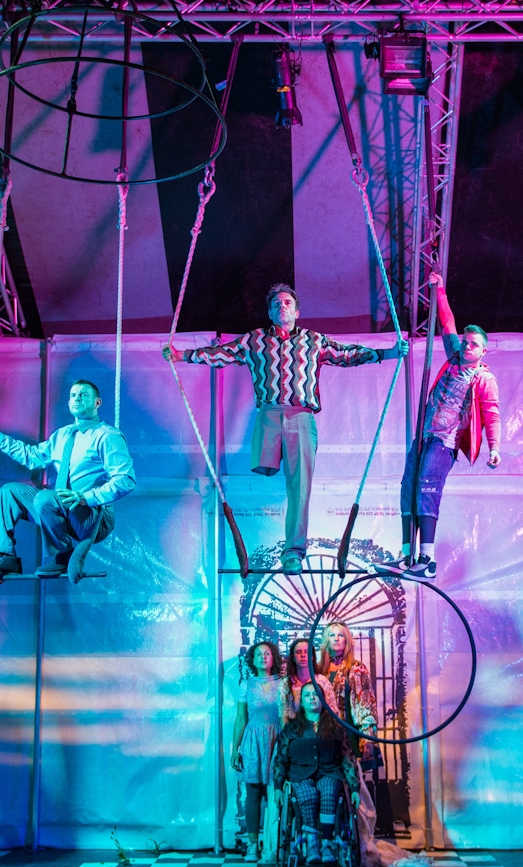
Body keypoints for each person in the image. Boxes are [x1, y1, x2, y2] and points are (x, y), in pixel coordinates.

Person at [163, 284, 407, 575]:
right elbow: (221, 353)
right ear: (269, 311)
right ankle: (255, 540)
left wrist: (387, 353)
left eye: (288, 302)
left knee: (299, 487)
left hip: (301, 415)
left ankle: (293, 552)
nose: (282, 305)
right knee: (260, 475)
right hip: (268, 415)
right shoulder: (254, 340)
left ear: (297, 311)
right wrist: (183, 356)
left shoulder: (313, 340)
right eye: (277, 303)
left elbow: (347, 354)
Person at [376, 271, 500, 581]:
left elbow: (492, 412)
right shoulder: (453, 359)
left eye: (474, 345)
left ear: (483, 351)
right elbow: (447, 324)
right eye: (466, 342)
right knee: (408, 489)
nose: (467, 346)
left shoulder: (484, 379)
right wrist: (439, 289)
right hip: (425, 434)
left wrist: (495, 447)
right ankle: (406, 556)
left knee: (426, 491)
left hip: (445, 442)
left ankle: (427, 561)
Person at [0, 380, 135, 582]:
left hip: (93, 516)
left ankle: (63, 555)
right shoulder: (62, 435)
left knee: (45, 497)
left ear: (97, 403)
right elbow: (32, 457)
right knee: (9, 492)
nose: (77, 398)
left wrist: (87, 498)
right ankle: (6, 557)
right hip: (58, 508)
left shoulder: (106, 436)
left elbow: (126, 479)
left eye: (83, 395)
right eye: (73, 395)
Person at [271, 682, 361, 866]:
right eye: (307, 695)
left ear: (323, 699)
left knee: (329, 791)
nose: (312, 698)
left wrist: (354, 788)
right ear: (301, 702)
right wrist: (278, 787)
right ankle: (311, 844)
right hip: (300, 774)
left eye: (315, 694)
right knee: (307, 794)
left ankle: (327, 844)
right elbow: (280, 759)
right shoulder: (292, 729)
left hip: (329, 772)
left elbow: (347, 758)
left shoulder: (336, 727)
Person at [232, 641, 282, 862]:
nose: (263, 657)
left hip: (277, 740)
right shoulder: (246, 685)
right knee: (253, 793)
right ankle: (253, 844)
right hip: (253, 741)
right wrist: (235, 748)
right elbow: (241, 718)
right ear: (252, 659)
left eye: (267, 653)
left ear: (273, 658)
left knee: (275, 793)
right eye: (259, 654)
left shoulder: (283, 684)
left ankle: (274, 842)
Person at [317, 623, 376, 759]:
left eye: (340, 635)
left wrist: (368, 738)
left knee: (351, 776)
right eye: (332, 635)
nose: (336, 638)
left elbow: (367, 705)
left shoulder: (357, 668)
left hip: (350, 731)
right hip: (323, 732)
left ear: (347, 640)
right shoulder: (318, 670)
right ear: (326, 640)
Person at [279, 638, 335, 726]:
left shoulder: (322, 681)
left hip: (321, 732)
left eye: (306, 652)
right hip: (295, 733)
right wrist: (287, 739)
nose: (303, 655)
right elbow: (283, 717)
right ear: (293, 657)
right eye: (298, 652)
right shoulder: (285, 684)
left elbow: (333, 711)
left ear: (312, 657)